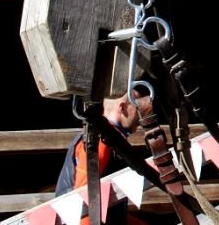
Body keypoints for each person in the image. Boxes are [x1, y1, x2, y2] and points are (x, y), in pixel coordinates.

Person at [56, 93, 151, 225]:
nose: (140, 117)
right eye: (137, 108)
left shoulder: (106, 137)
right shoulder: (101, 140)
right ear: (122, 107)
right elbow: (84, 200)